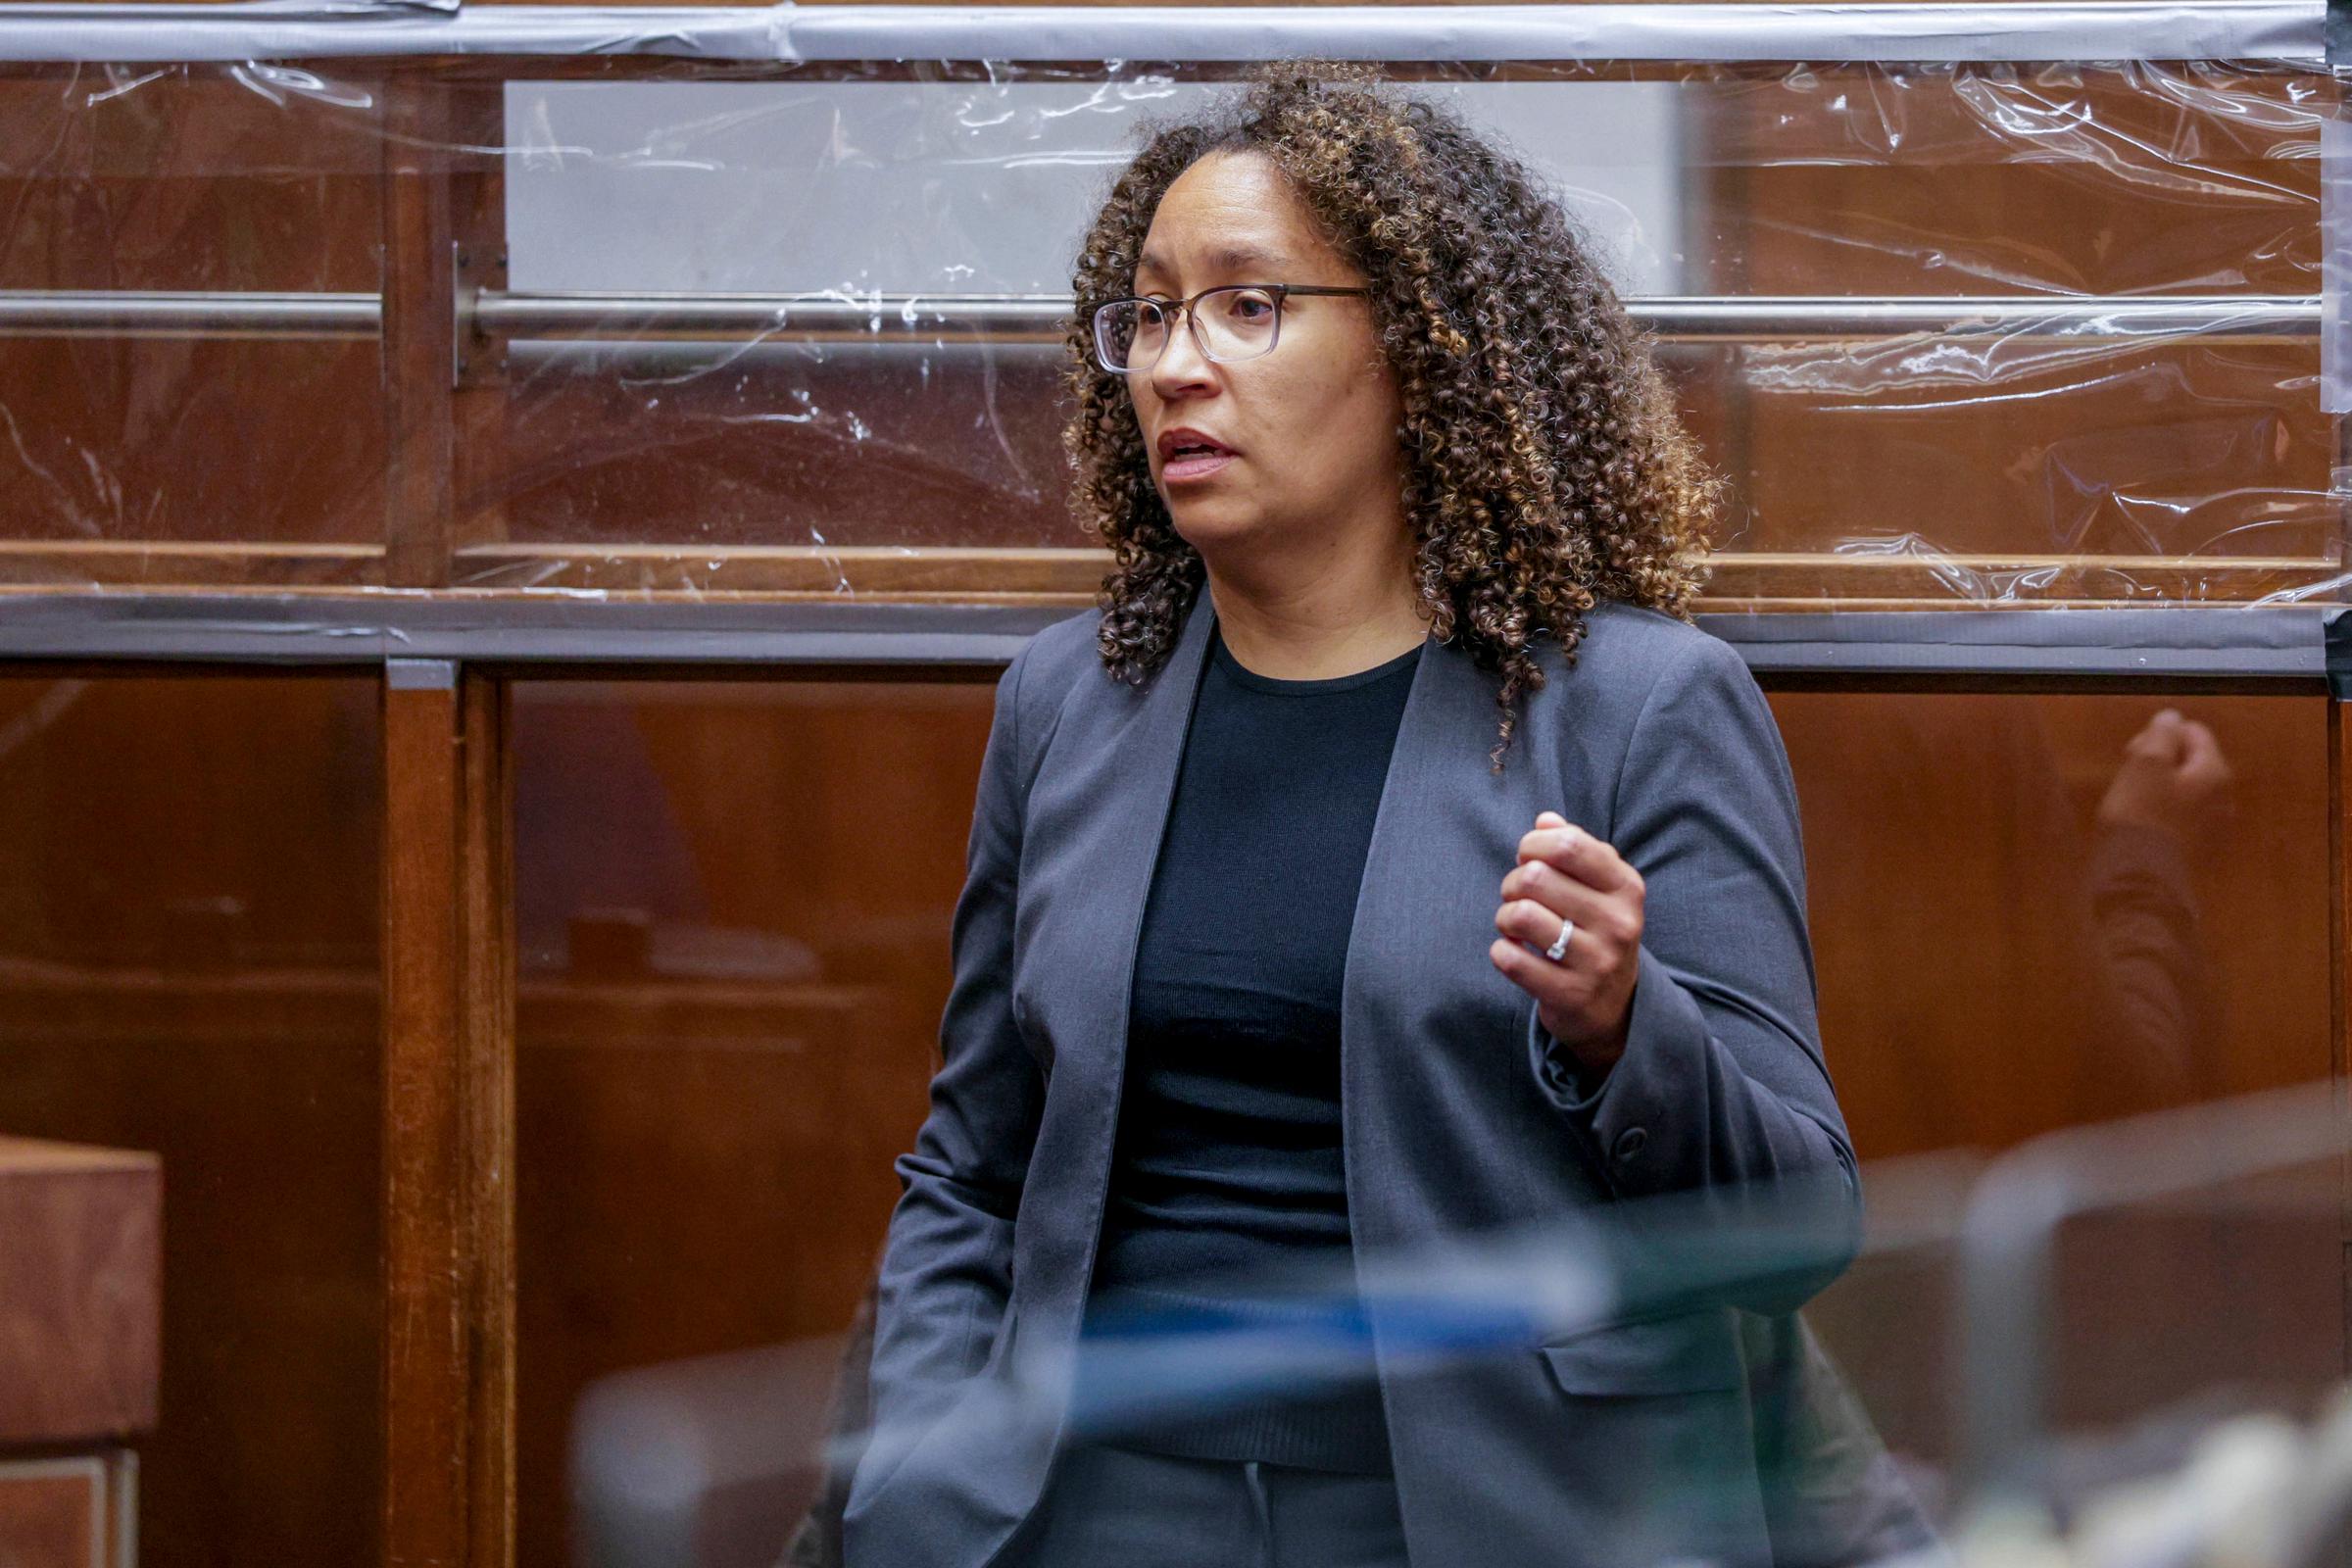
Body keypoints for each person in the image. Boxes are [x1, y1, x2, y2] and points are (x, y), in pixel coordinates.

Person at [841, 60, 1865, 1568]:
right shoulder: (1067, 704)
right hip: (1096, 1511)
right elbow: (971, 1170)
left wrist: (1623, 1029)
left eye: (1248, 304)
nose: (1177, 366)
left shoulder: (1641, 705)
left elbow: (1804, 1227)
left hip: (1494, 1517)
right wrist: (910, 1484)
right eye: (1150, 313)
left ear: (1419, 352)